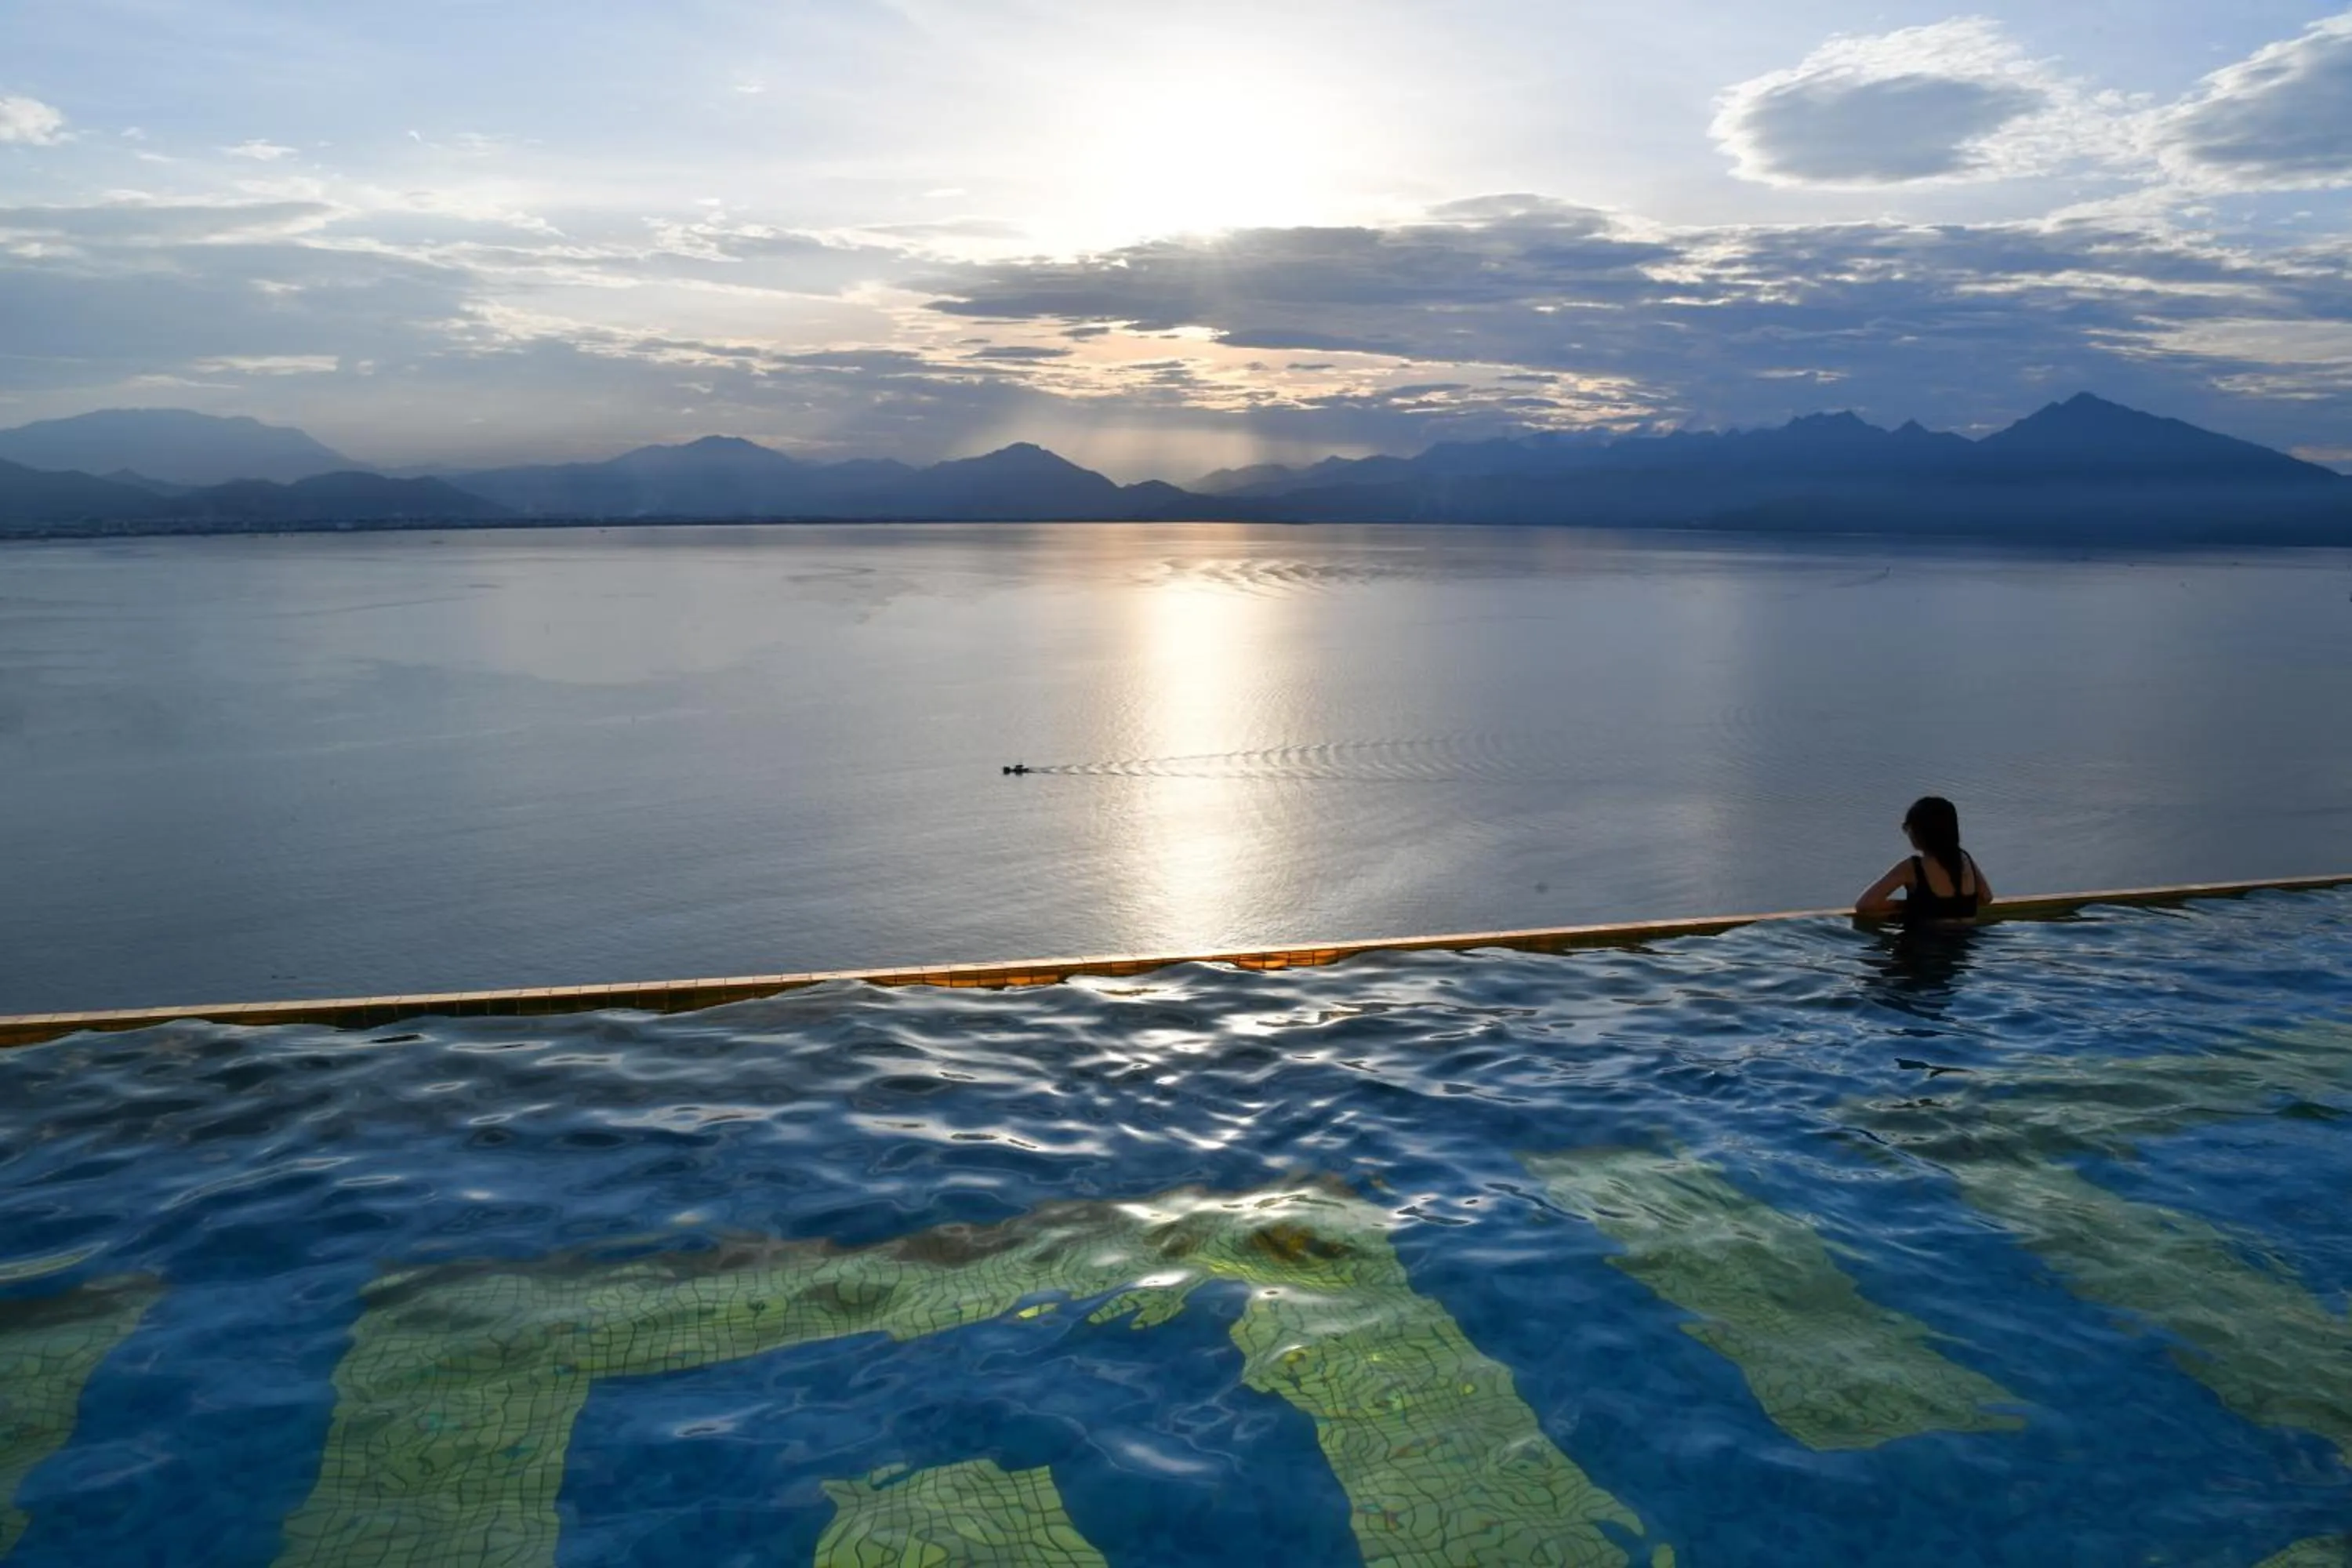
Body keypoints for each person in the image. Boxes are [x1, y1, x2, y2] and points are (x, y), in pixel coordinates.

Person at [1855, 796, 1993, 924]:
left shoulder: (1912, 867)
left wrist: (1909, 905)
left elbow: (1866, 905)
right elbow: (1986, 898)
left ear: (1919, 832)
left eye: (1908, 827)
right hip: (1967, 943)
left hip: (1926, 945)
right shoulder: (1966, 858)